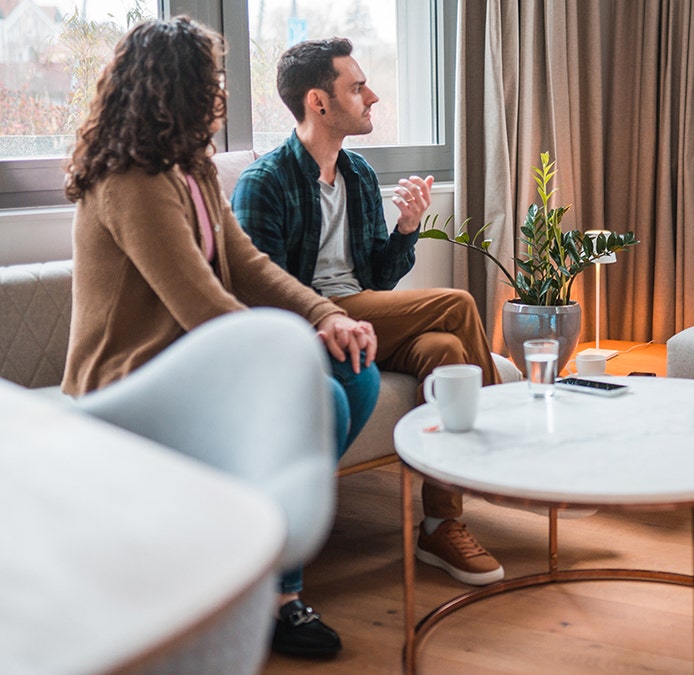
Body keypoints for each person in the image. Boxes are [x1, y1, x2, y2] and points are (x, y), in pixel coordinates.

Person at [61, 17, 379, 660]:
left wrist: (324, 317)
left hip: (189, 361)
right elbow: (200, 304)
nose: (220, 95)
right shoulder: (130, 180)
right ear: (175, 89)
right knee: (326, 399)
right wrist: (282, 356)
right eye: (211, 81)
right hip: (130, 380)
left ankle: (252, 568)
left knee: (356, 372)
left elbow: (251, 268)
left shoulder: (192, 168)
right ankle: (276, 593)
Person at [231, 38, 506, 587]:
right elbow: (262, 295)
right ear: (319, 102)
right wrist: (326, 313)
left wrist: (407, 229)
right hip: (314, 324)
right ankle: (508, 451)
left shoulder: (355, 173)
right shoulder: (264, 184)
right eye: (357, 88)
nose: (373, 96)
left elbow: (379, 278)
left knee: (446, 351)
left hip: (365, 314)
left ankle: (440, 524)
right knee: (457, 303)